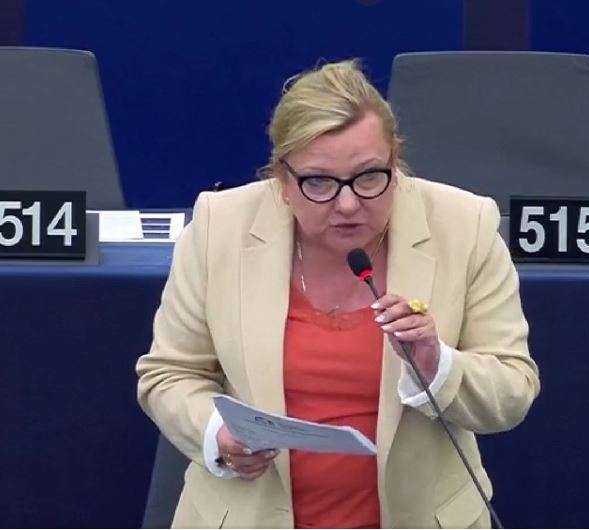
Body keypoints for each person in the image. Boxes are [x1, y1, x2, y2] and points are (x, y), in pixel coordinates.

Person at [136, 59, 540, 529]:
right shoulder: (219, 226)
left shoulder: (465, 226)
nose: (348, 203)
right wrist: (217, 435)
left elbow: (512, 391)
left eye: (369, 176)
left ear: (395, 159)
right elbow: (169, 374)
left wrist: (438, 365)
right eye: (319, 182)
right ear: (282, 180)